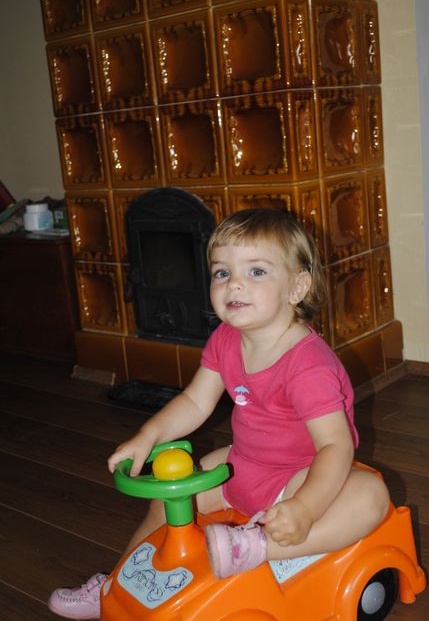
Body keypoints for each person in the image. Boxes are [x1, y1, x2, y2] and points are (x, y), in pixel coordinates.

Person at [48, 208, 390, 619]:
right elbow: (195, 401)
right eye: (222, 273)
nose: (234, 284)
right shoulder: (225, 339)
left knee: (371, 497)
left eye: (256, 271)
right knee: (170, 495)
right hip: (242, 465)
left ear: (297, 287)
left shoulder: (308, 365)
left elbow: (335, 446)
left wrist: (305, 507)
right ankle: (115, 584)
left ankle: (259, 547)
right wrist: (147, 436)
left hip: (300, 476)